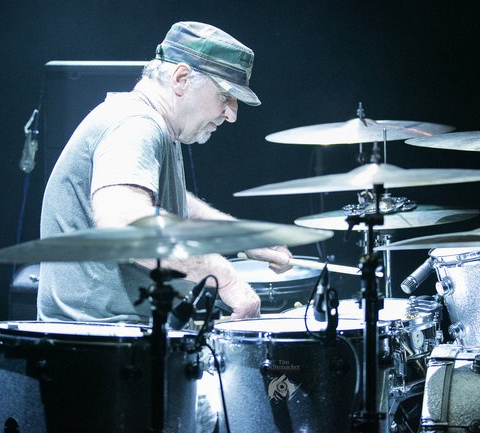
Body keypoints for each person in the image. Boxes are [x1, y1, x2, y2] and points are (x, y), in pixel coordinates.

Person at [37, 21, 293, 324]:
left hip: (125, 337)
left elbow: (163, 202)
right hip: (98, 343)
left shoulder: (153, 124)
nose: (232, 114)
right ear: (181, 78)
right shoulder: (136, 124)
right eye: (225, 96)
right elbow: (126, 227)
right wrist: (226, 279)